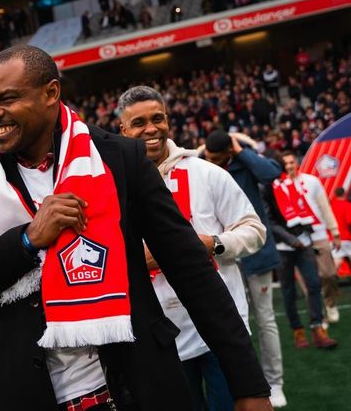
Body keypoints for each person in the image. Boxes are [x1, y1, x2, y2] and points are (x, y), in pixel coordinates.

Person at [0, 45, 272, 411]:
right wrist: (28, 239)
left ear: (51, 93)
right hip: (32, 392)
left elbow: (190, 268)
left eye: (8, 99)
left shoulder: (120, 157)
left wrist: (249, 385)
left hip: (137, 382)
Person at [118, 86, 267, 411]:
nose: (151, 129)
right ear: (123, 130)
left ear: (169, 121)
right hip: (162, 338)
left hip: (221, 331)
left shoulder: (206, 173)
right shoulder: (114, 188)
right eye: (139, 122)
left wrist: (214, 244)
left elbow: (255, 230)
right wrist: (136, 262)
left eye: (158, 119)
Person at [202, 130, 287, 409]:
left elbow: (272, 173)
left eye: (217, 157)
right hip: (223, 257)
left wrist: (242, 152)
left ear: (229, 151)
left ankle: (274, 383)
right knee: (233, 324)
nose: (211, 161)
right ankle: (247, 384)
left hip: (255, 254)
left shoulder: (245, 163)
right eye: (208, 157)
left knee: (265, 320)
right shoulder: (203, 169)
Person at [261, 155, 338, 350]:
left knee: (313, 284)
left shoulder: (298, 183)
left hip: (304, 242)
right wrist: (290, 240)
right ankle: (298, 331)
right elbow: (269, 220)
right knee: (289, 291)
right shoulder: (265, 188)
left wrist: (325, 231)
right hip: (283, 247)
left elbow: (311, 209)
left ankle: (318, 327)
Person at [281, 152, 341, 324]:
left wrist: (335, 232)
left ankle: (330, 303)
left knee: (329, 274)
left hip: (319, 233)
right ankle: (319, 314)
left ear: (297, 163)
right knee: (308, 281)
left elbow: (324, 207)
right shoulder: (280, 186)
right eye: (286, 163)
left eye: (292, 162)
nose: (289, 166)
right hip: (298, 239)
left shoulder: (312, 181)